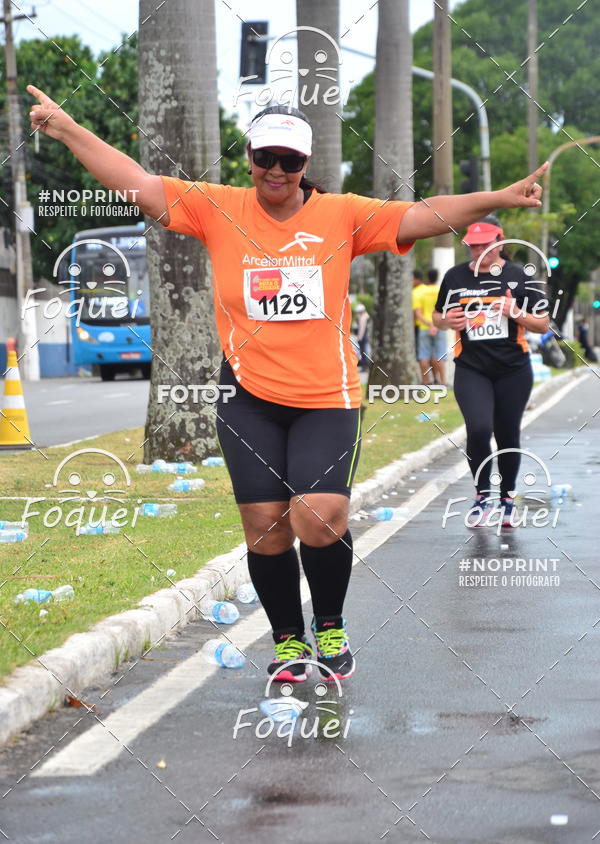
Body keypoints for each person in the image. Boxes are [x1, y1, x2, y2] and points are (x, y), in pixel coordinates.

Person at [27, 86, 547, 681]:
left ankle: (329, 624)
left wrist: (497, 199)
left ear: (307, 165)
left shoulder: (342, 214)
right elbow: (136, 182)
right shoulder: (216, 206)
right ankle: (287, 640)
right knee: (266, 527)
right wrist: (67, 129)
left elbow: (424, 214)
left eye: (290, 161)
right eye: (265, 158)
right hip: (248, 399)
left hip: (327, 397)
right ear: (249, 156)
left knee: (318, 514)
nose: (276, 171)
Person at [432, 216, 550, 527]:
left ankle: (507, 498)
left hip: (513, 369)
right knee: (480, 429)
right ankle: (483, 496)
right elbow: (437, 315)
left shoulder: (518, 276)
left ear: (500, 242)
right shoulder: (455, 277)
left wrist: (515, 312)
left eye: (485, 244)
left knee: (507, 434)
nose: (479, 250)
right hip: (472, 368)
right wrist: (448, 321)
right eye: (474, 245)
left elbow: (543, 323)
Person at [413, 267, 447, 385]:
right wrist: (436, 325)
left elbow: (418, 314)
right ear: (438, 278)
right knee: (440, 354)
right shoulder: (442, 291)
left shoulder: (420, 292)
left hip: (424, 327)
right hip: (439, 326)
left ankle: (426, 381)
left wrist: (429, 324)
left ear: (427, 278)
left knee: (423, 355)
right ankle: (443, 382)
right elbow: (445, 311)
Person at [412, 268, 425, 351]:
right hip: (428, 324)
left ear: (417, 279)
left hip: (418, 325)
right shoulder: (427, 289)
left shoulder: (415, 292)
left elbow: (414, 312)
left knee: (419, 350)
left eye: (412, 279)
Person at [354, 303, 370, 369]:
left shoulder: (363, 318)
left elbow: (362, 329)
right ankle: (364, 365)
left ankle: (364, 365)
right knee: (363, 350)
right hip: (364, 336)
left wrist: (359, 338)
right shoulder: (365, 316)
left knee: (363, 351)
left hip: (363, 336)